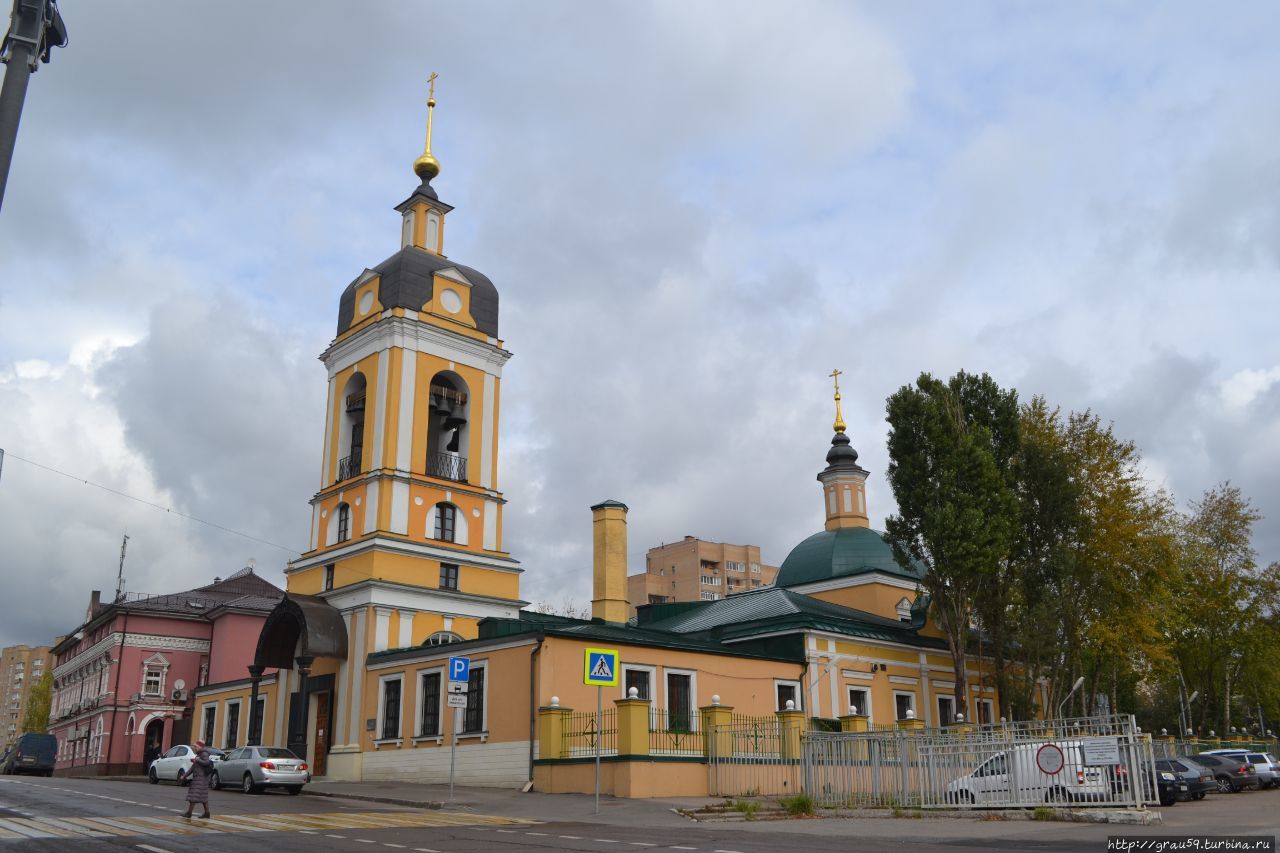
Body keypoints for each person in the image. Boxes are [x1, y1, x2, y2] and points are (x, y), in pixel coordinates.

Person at [181, 740, 212, 819]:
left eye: (196, 746)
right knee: (203, 797)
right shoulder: (199, 754)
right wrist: (185, 775)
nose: (195, 748)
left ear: (200, 747)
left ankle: (189, 813)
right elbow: (193, 768)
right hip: (200, 778)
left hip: (201, 778)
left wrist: (197, 760)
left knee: (193, 796)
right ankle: (207, 813)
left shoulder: (204, 753)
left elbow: (206, 762)